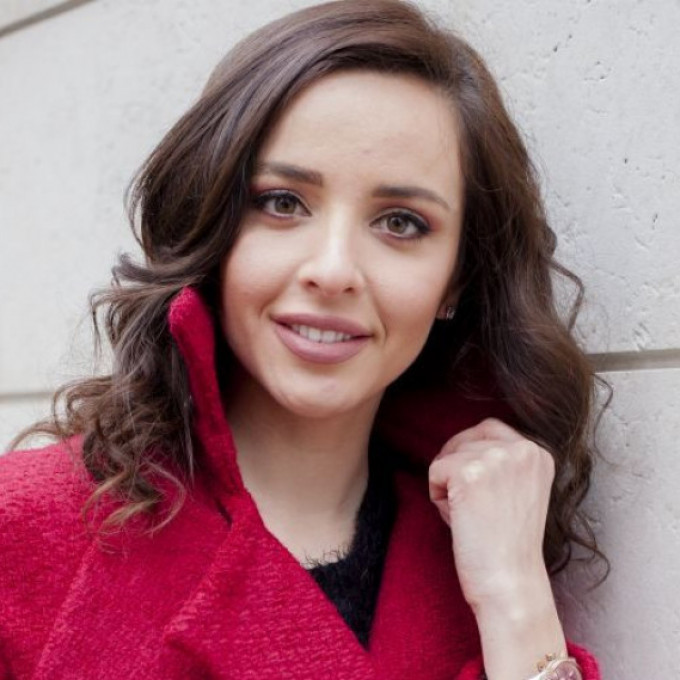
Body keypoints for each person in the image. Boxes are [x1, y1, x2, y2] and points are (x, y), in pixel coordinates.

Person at [0, 1, 608, 678]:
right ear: (213, 227)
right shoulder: (23, 529)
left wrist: (516, 599)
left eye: (400, 222)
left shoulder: (482, 554)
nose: (333, 270)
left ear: (457, 280)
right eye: (283, 203)